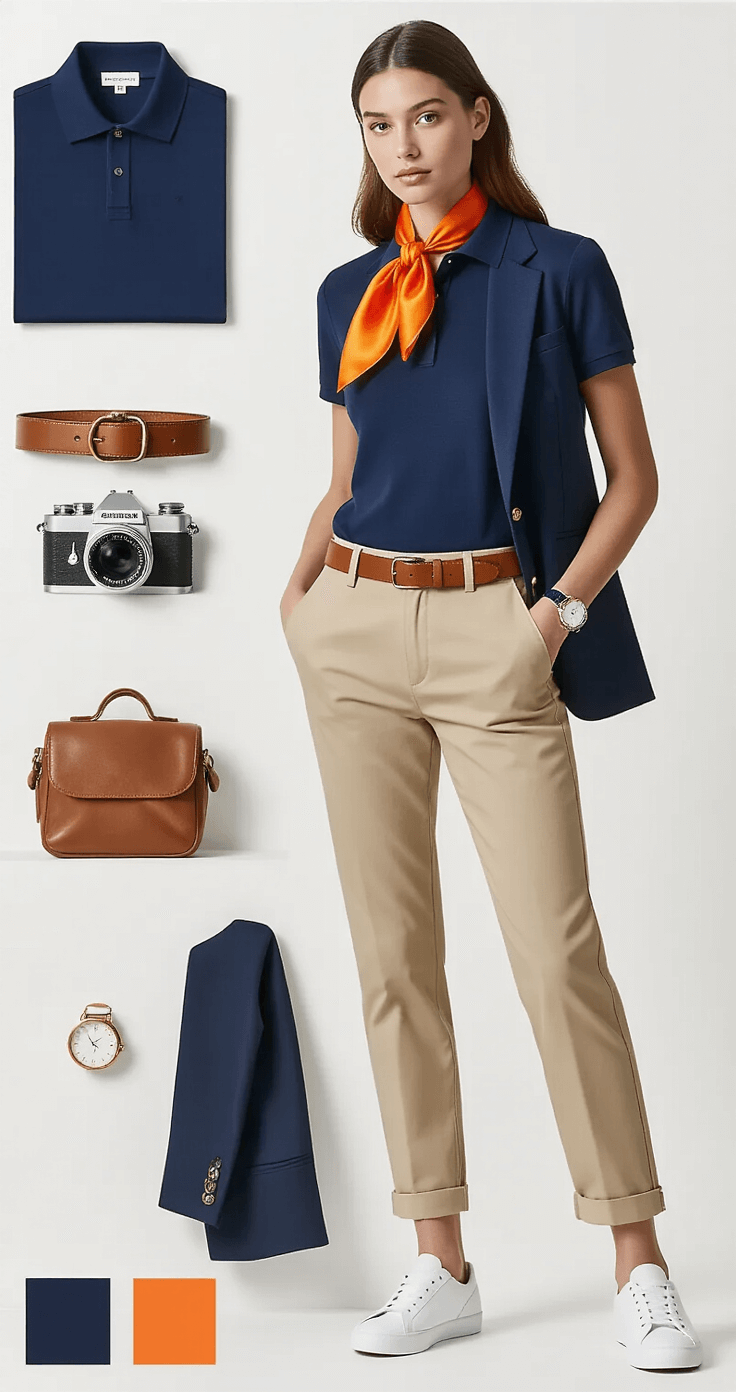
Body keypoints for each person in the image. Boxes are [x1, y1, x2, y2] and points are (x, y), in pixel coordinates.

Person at [280, 19, 702, 1371]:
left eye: (424, 117)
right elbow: (347, 476)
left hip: (497, 630)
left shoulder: (559, 269)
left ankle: (637, 1259)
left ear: (475, 117)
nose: (401, 147)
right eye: (376, 125)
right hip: (353, 631)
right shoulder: (349, 290)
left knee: (555, 949)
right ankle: (439, 1260)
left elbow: (633, 477)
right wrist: (300, 603)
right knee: (393, 957)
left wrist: (553, 616)